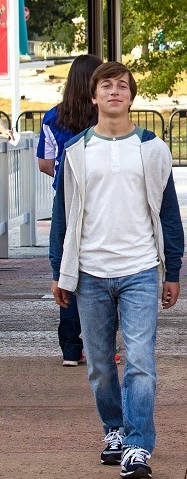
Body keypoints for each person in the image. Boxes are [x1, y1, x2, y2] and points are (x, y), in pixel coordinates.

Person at [49, 62, 184, 479]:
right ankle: (114, 429)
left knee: (140, 360)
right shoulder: (76, 151)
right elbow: (63, 214)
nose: (114, 92)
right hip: (90, 271)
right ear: (93, 96)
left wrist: (173, 269)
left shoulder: (151, 148)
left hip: (139, 268)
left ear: (131, 96)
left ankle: (139, 445)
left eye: (122, 86)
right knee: (100, 365)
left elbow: (168, 212)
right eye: (106, 85)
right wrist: (58, 270)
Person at [37, 52, 102, 366]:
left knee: (66, 266)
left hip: (65, 199)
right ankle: (98, 344)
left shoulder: (53, 117)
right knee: (99, 267)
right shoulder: (103, 114)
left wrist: (64, 178)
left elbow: (44, 163)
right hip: (100, 198)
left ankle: (70, 348)